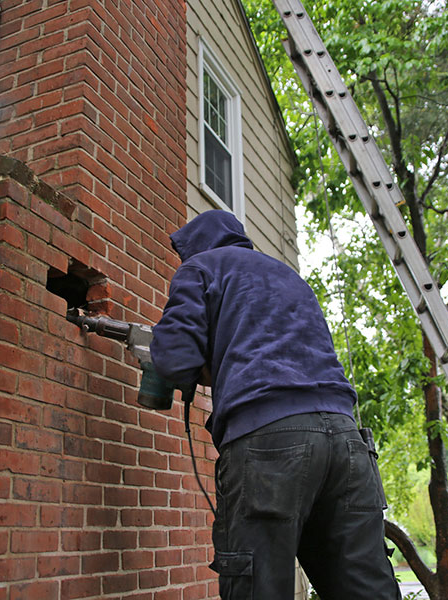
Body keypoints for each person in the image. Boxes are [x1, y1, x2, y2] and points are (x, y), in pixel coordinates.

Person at [150, 209, 401, 600]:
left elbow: (173, 358)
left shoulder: (201, 267)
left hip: (270, 445)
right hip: (347, 441)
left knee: (259, 587)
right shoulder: (289, 277)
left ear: (194, 247)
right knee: (364, 585)